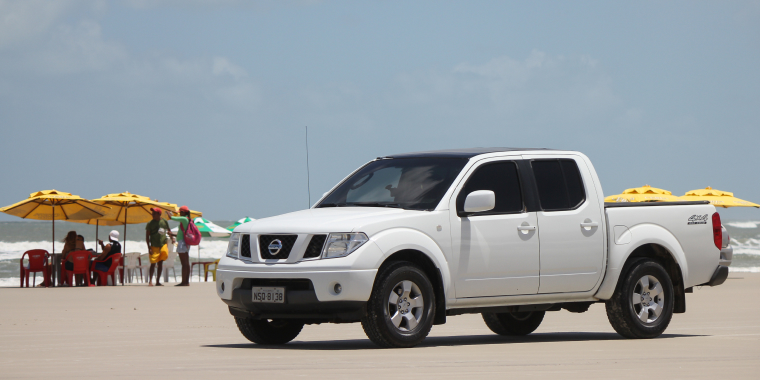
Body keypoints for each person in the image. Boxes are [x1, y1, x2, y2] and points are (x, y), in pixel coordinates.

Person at [167, 206, 191, 286]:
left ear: (183, 212)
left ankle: (184, 282)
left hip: (182, 243)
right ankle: (186, 281)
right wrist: (172, 234)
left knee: (184, 263)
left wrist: (168, 213)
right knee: (186, 263)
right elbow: (181, 234)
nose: (179, 214)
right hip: (184, 242)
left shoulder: (184, 219)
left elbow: (171, 218)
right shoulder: (186, 219)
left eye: (180, 212)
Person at [145, 208, 169, 286]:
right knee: (153, 262)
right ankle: (150, 281)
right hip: (154, 245)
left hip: (162, 244)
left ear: (159, 214)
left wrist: (172, 237)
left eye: (154, 213)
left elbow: (169, 230)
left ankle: (158, 281)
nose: (152, 214)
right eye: (152, 213)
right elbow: (147, 236)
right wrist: (149, 248)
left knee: (161, 262)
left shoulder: (164, 221)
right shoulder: (150, 223)